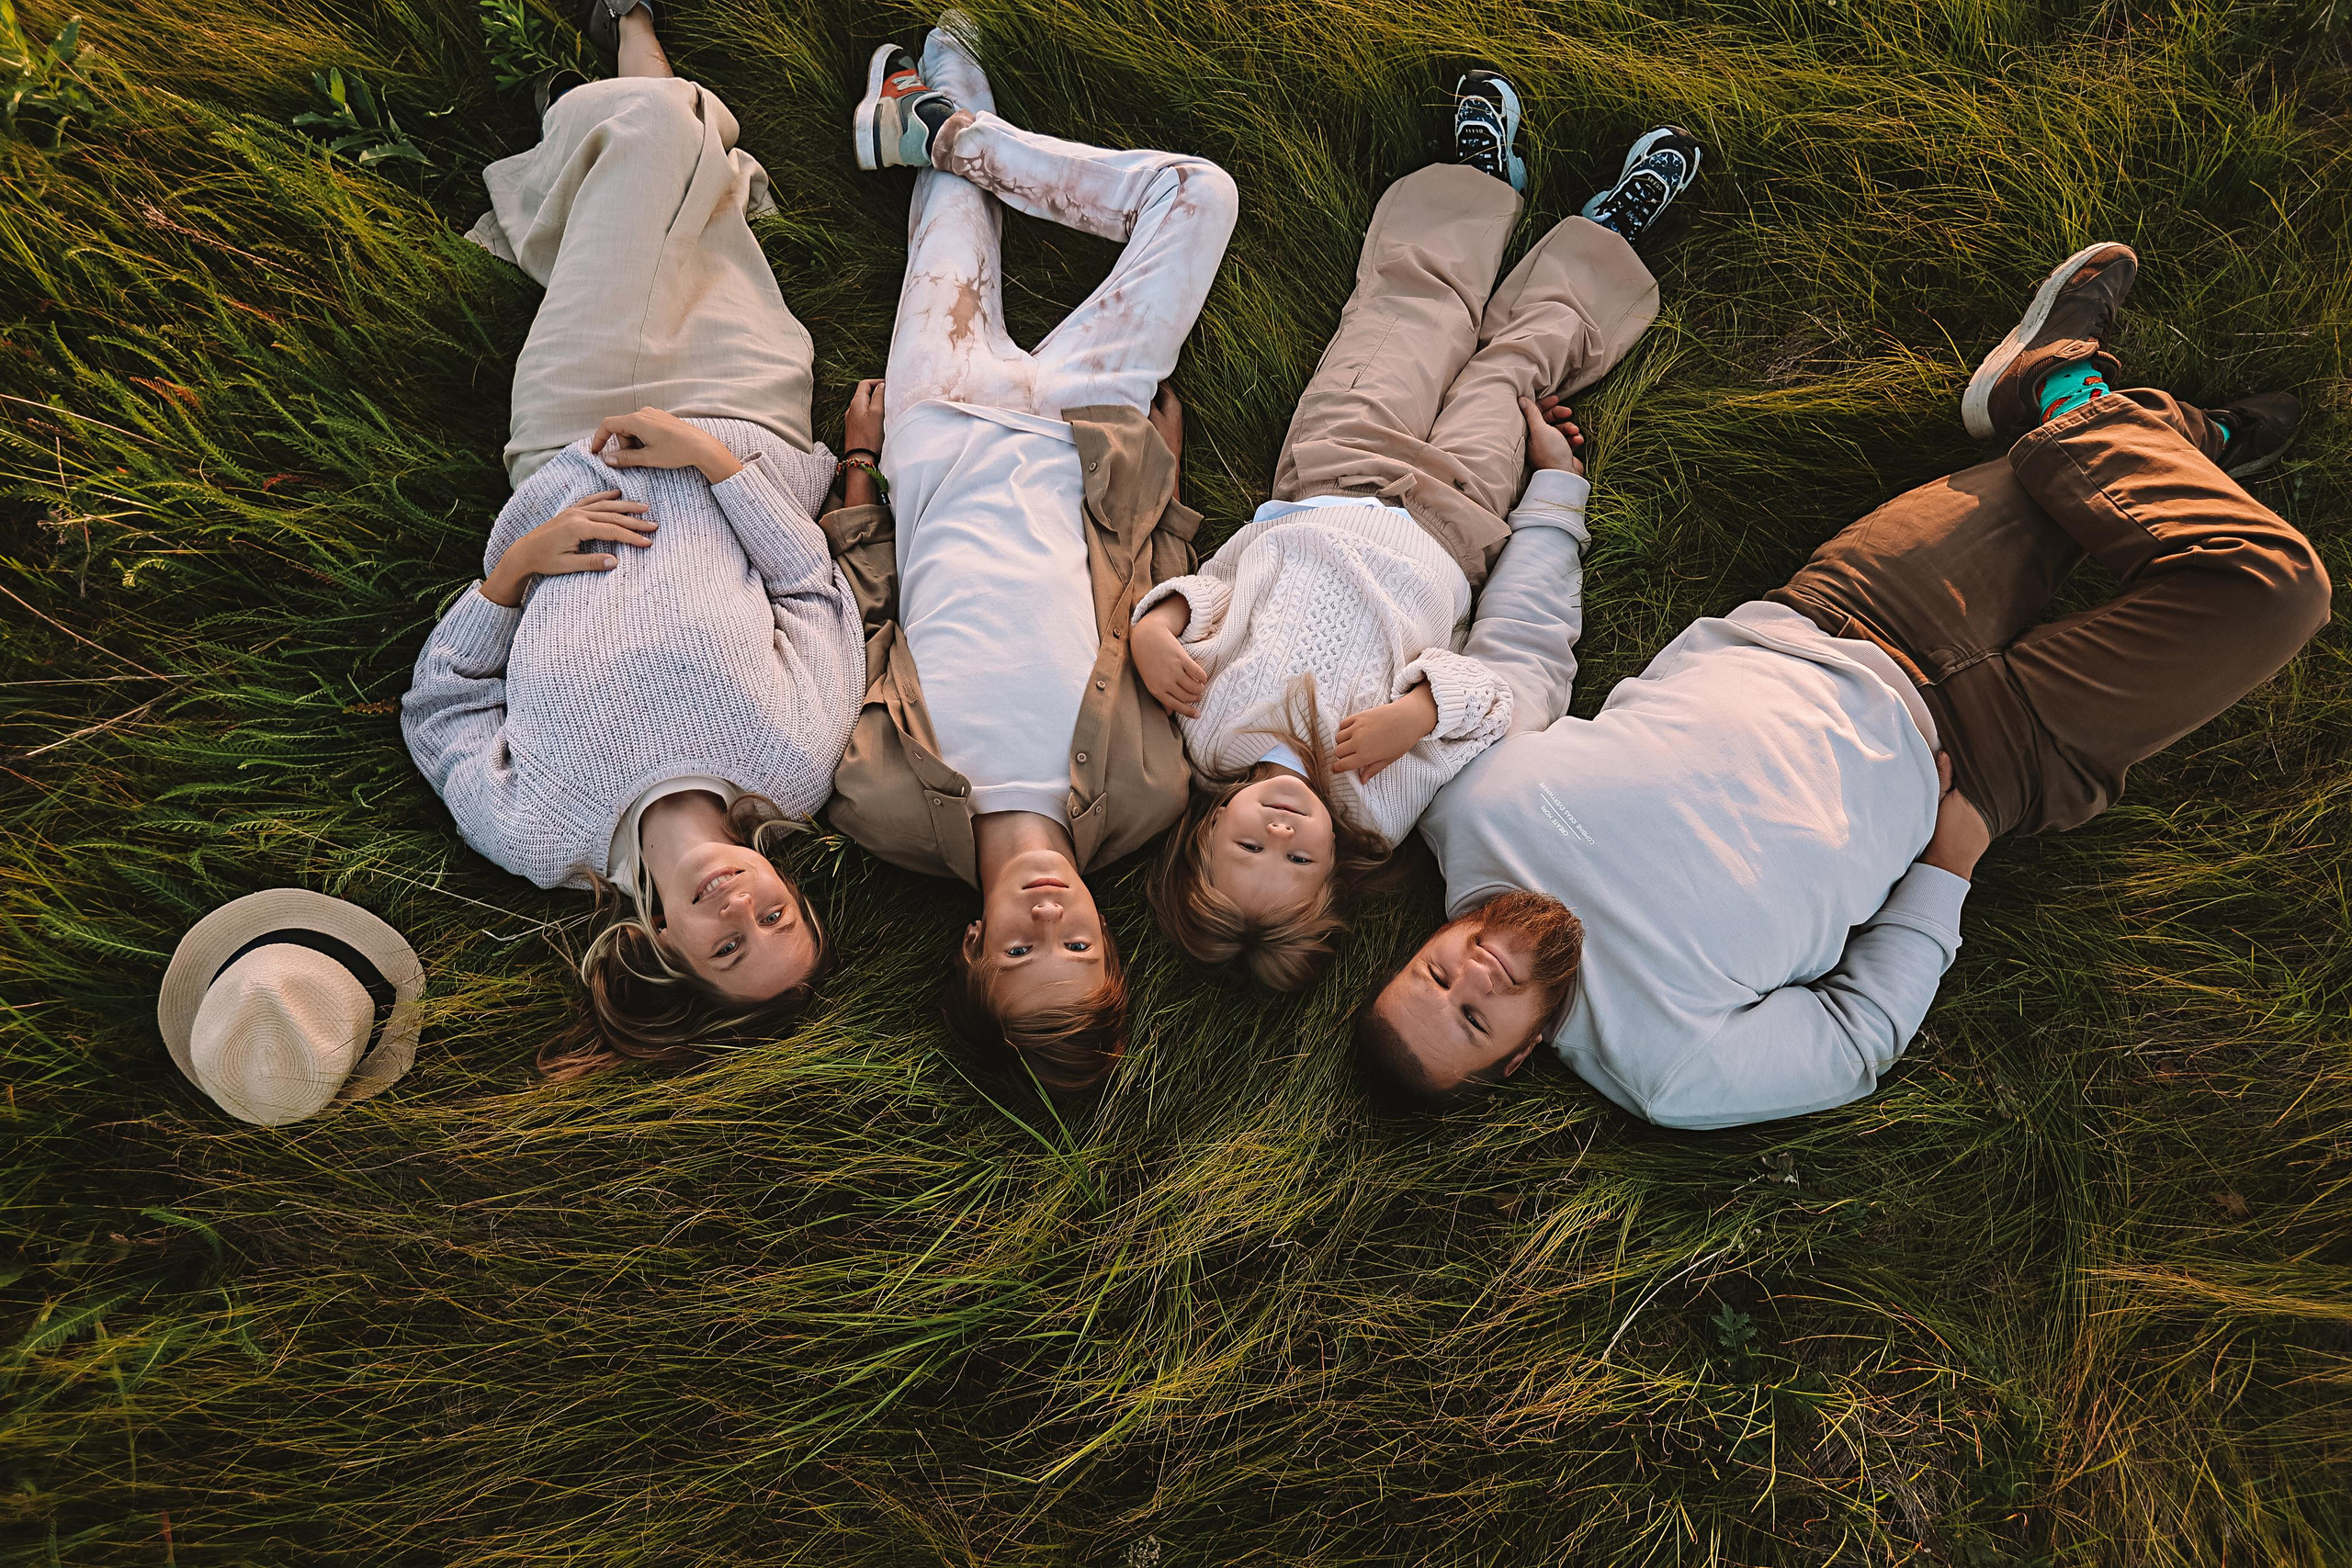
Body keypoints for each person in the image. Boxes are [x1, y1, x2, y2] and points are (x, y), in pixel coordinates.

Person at [1357, 242, 2331, 1127]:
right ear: (1522, 1054)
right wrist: (1950, 864)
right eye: (1475, 1017)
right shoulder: (1664, 1067)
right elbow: (1856, 1038)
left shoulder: (1465, 812)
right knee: (2276, 591)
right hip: (1987, 764)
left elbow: (1525, 650)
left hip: (1854, 611)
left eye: (1433, 973)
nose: (1470, 971)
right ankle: (2090, 410)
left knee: (2062, 486)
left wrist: (1557, 490)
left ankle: (2111, 415)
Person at [1134, 74, 1701, 989]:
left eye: (1248, 845)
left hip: (1324, 477)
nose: (1280, 833)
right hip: (1453, 521)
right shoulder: (1384, 805)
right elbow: (1503, 699)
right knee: (1512, 374)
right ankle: (1603, 241)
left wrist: (1152, 631)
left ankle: (1477, 182)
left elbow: (1211, 600)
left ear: (1205, 828)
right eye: (1297, 862)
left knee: (1404, 315)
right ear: (1335, 872)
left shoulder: (1206, 740)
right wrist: (1422, 711)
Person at [401, 0, 867, 1078]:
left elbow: (442, 709)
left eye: (725, 948)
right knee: (689, 195)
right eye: (778, 921)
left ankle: (643, 76)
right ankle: (647, 71)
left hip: (569, 430)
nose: (740, 910)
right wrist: (708, 459)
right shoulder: (792, 770)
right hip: (741, 414)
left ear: (665, 949)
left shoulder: (537, 837)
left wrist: (512, 576)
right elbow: (810, 588)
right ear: (790, 888)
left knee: (658, 151)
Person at [819, 18, 1238, 1097]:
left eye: (1019, 951)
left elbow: (863, 615)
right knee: (1199, 194)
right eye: (1081, 949)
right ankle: (946, 125)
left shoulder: (877, 805)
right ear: (1112, 942)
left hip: (941, 422)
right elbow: (1147, 601)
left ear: (970, 947)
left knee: (953, 224)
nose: (1050, 919)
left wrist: (859, 467)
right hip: (1087, 432)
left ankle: (940, 108)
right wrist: (1164, 482)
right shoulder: (1150, 797)